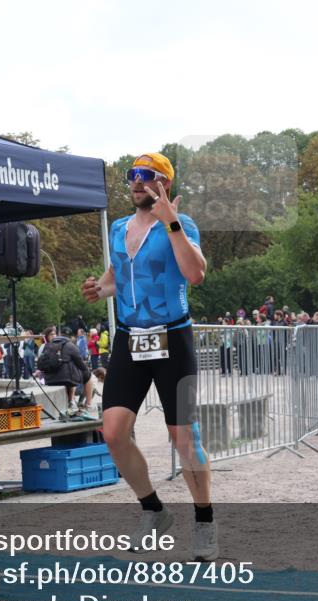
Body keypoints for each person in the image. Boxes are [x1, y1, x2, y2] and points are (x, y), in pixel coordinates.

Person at [81, 152, 216, 561]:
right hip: (129, 339)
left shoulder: (180, 222)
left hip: (173, 338)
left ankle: (205, 521)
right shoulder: (120, 227)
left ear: (164, 184)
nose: (137, 182)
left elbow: (196, 274)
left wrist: (169, 221)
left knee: (183, 437)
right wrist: (99, 289)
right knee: (113, 432)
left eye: (146, 176)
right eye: (132, 176)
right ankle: (153, 510)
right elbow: (118, 273)